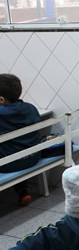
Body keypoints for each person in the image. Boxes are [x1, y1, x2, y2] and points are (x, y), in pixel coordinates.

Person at [0, 73, 41, 206]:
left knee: (9, 150)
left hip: (10, 164)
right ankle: (22, 190)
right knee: (13, 148)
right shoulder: (31, 108)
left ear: (1, 100)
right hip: (33, 157)